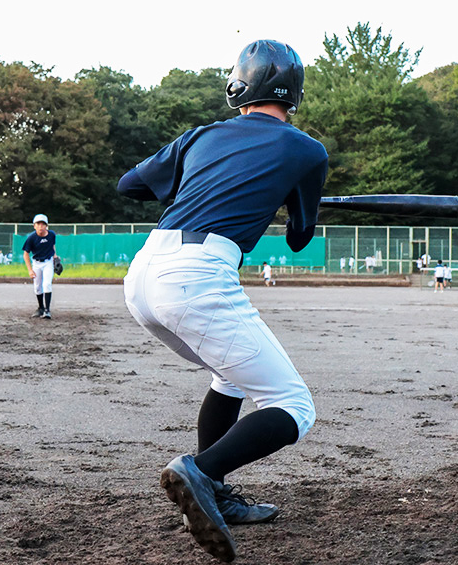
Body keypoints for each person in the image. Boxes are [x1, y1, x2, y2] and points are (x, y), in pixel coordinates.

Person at [118, 40, 327, 562]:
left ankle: (219, 491)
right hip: (197, 278)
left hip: (143, 276)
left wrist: (199, 182)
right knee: (294, 407)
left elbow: (129, 186)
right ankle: (200, 471)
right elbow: (301, 237)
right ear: (294, 93)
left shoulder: (200, 137)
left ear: (240, 85)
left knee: (230, 376)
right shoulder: (306, 150)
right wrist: (292, 201)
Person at [22, 213, 56, 319]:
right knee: (37, 287)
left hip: (48, 262)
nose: (41, 226)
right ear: (34, 226)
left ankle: (47, 310)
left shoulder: (51, 235)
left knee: (47, 284)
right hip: (36, 263)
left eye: (43, 224)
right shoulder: (31, 238)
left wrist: (55, 257)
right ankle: (41, 308)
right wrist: (30, 270)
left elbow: (52, 246)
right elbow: (26, 254)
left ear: (46, 226)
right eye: (38, 224)